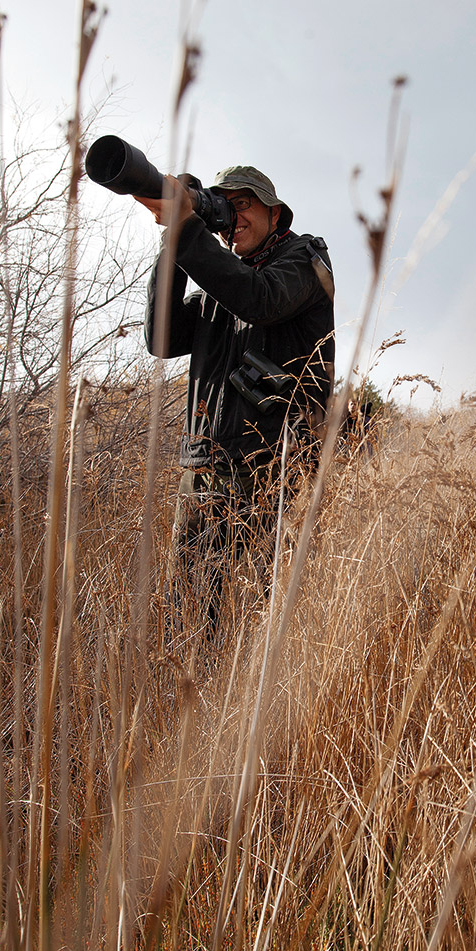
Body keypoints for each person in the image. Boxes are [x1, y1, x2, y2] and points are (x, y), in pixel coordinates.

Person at [139, 165, 335, 639]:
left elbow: (259, 300)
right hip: (205, 469)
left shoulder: (303, 259)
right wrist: (174, 239)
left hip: (275, 472)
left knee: (267, 624)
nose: (234, 215)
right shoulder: (219, 283)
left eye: (243, 203)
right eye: (225, 207)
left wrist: (189, 231)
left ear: (274, 212)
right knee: (187, 619)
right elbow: (161, 338)